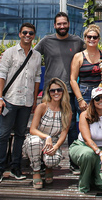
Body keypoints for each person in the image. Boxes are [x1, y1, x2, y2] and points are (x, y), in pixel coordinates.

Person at [0, 23, 41, 183]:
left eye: (31, 33)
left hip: (26, 102)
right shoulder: (9, 53)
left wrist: (34, 100)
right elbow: (2, 75)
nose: (28, 35)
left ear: (34, 35)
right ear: (20, 34)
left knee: (20, 135)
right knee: (4, 135)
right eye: (25, 32)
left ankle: (15, 166)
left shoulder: (37, 56)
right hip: (10, 100)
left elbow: (36, 79)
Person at [35, 12, 85, 148]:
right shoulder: (46, 41)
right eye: (59, 24)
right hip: (50, 91)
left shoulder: (77, 41)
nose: (62, 26)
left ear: (69, 24)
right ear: (54, 25)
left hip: (70, 90)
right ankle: (44, 157)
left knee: (71, 127)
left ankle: (73, 162)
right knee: (45, 124)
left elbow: (91, 54)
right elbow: (30, 55)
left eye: (64, 23)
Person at [68, 87, 102, 194]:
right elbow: (87, 140)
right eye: (97, 98)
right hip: (83, 147)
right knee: (88, 154)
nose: (101, 101)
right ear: (92, 101)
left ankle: (93, 175)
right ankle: (83, 185)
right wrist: (100, 154)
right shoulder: (85, 115)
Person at [23, 78, 71, 189]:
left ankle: (49, 168)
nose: (56, 93)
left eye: (59, 90)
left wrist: (56, 146)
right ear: (48, 93)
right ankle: (36, 171)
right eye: (52, 91)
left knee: (52, 159)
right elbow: (33, 129)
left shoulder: (67, 111)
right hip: (37, 139)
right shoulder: (42, 107)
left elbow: (64, 133)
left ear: (63, 91)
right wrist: (47, 137)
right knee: (34, 142)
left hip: (53, 141)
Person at [69, 25, 102, 113]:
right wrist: (80, 99)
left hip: (100, 90)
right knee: (86, 120)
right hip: (84, 92)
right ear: (85, 38)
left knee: (101, 120)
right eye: (89, 37)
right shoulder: (78, 56)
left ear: (98, 39)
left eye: (95, 37)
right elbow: (73, 80)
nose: (92, 39)